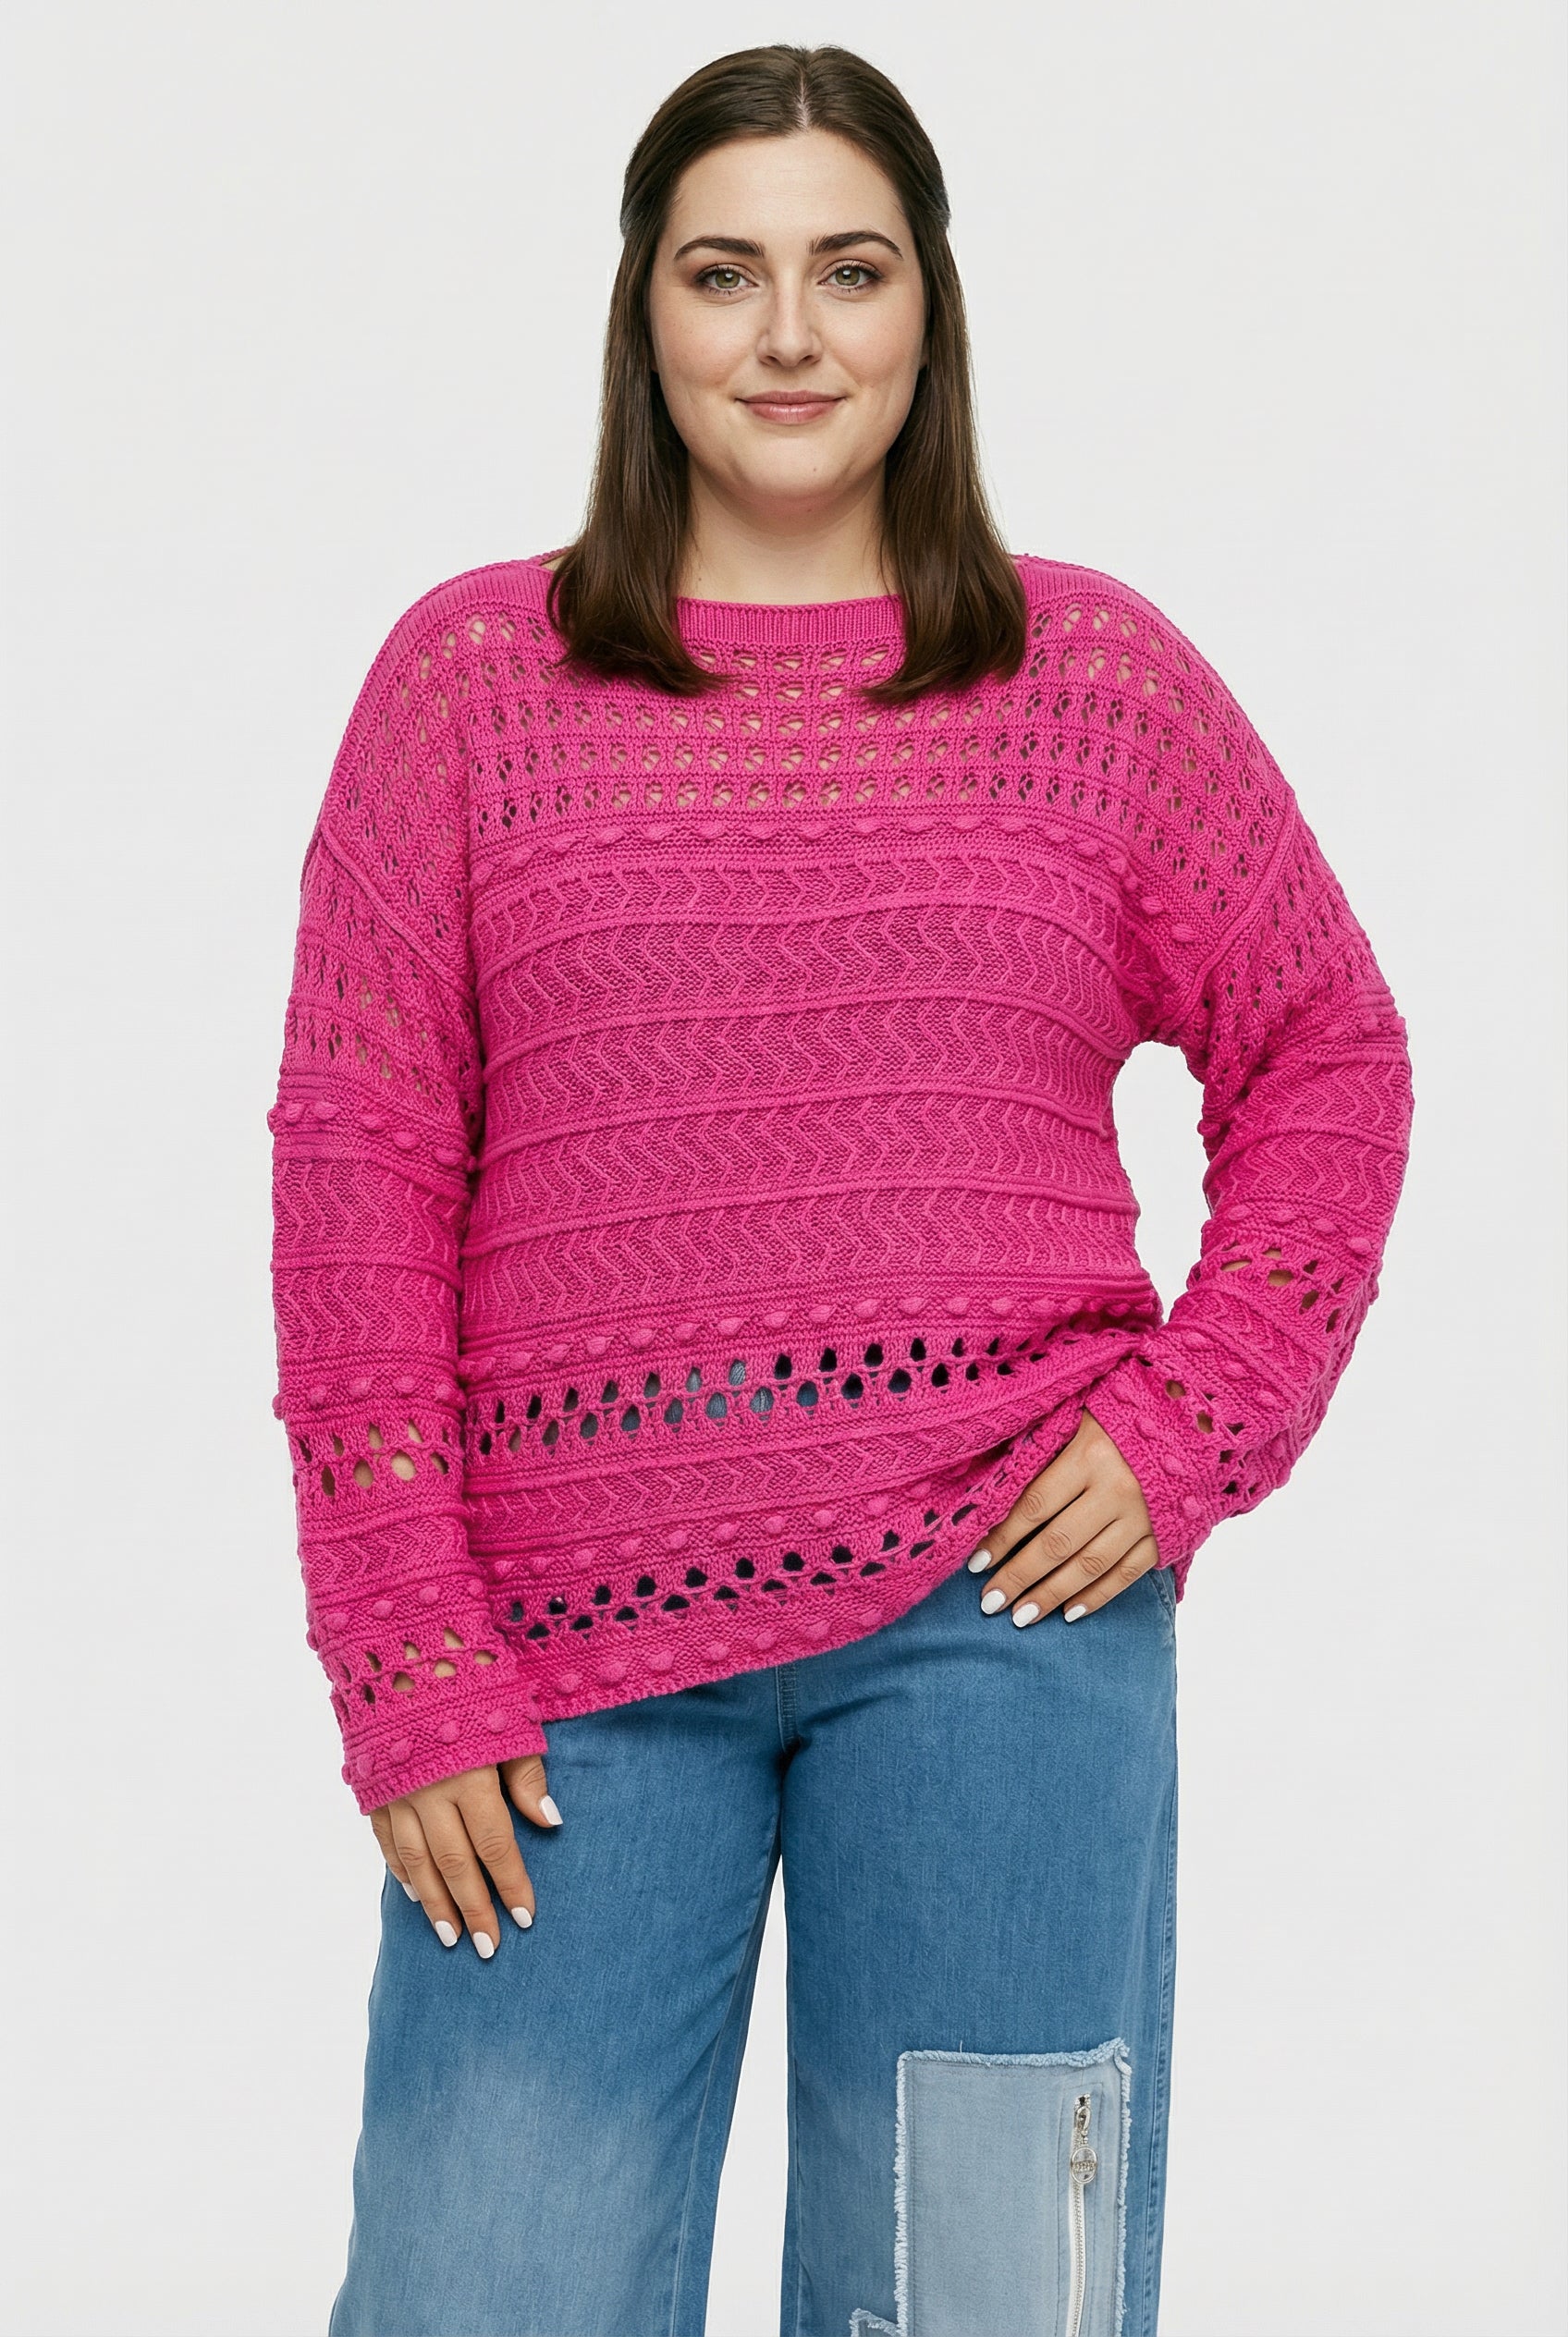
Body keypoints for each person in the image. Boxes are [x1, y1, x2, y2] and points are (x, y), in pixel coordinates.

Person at [268, 42, 1415, 2337]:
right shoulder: (474, 684)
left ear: (926, 309)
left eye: (847, 270)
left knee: (979, 2300)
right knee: (486, 2294)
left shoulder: (1090, 682)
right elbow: (358, 1177)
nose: (787, 334)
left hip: (1003, 1623)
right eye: (724, 272)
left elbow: (1328, 1052)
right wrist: (402, 1649)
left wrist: (1190, 1425)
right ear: (644, 310)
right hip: (557, 1665)